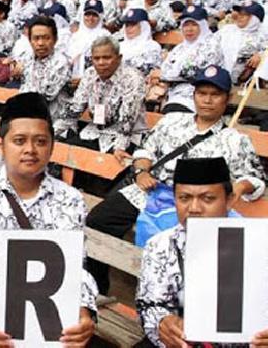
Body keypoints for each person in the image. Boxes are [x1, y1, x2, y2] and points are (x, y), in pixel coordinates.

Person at [86, 65, 266, 294]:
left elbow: (255, 178)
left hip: (194, 203)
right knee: (98, 221)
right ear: (194, 95)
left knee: (180, 249)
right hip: (151, 191)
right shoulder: (171, 121)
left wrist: (239, 187)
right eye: (202, 93)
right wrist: (142, 172)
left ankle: (168, 298)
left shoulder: (235, 140)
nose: (207, 100)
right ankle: (98, 290)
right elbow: (145, 151)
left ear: (227, 98)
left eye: (215, 95)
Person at [0, 92, 97, 347]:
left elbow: (74, 265)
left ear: (52, 147)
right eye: (19, 140)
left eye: (40, 141)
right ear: (0, 144)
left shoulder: (70, 199)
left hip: (47, 302)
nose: (30, 150)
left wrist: (83, 311)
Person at [136, 157, 268, 347]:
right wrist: (162, 323)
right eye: (184, 198)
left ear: (229, 200)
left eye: (208, 199)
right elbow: (150, 304)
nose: (194, 208)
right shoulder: (160, 245)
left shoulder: (259, 245)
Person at [56, 36, 147, 155]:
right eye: (96, 58)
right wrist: (51, 133)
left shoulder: (133, 78)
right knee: (62, 153)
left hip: (127, 136)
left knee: (107, 162)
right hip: (95, 131)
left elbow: (127, 121)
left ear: (119, 58)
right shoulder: (90, 74)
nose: (101, 63)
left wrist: (119, 148)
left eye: (107, 58)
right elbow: (75, 109)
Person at [156, 5, 223, 113]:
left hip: (197, 95)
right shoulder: (180, 47)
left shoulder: (212, 45)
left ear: (203, 25)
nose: (189, 29)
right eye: (185, 25)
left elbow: (194, 71)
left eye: (194, 24)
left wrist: (163, 74)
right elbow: (166, 66)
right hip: (172, 94)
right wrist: (159, 76)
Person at [17, 16, 72, 122]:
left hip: (54, 120)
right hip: (28, 115)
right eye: (36, 38)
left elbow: (45, 96)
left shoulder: (61, 63)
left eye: (46, 38)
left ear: (55, 39)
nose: (41, 43)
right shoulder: (27, 59)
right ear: (30, 40)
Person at [213, 0, 266, 83]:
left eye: (244, 15)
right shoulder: (226, 30)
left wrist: (261, 56)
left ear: (255, 19)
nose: (239, 17)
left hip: (245, 83)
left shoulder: (263, 36)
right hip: (219, 79)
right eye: (239, 13)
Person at [68, 0, 111, 79]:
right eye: (87, 14)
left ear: (100, 17)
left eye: (94, 15)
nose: (90, 18)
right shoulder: (75, 36)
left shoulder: (106, 36)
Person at [118, 8, 163, 76]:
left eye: (133, 25)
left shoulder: (152, 47)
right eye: (127, 25)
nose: (128, 29)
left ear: (143, 26)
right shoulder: (119, 46)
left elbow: (148, 71)